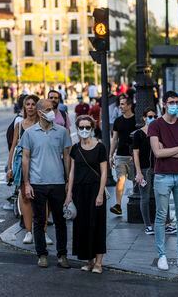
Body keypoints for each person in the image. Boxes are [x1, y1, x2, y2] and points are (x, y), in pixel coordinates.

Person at [21, 99, 72, 268]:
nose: (52, 112)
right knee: (39, 220)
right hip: (37, 183)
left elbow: (67, 157)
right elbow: (26, 158)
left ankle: (62, 255)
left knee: (60, 221)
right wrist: (27, 183)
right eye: (49, 109)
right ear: (40, 112)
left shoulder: (62, 132)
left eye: (53, 109)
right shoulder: (29, 133)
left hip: (57, 182)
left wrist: (67, 181)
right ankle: (42, 254)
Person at [148, 91, 178, 271]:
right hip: (162, 176)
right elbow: (157, 153)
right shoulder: (155, 125)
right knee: (161, 216)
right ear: (164, 104)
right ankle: (162, 256)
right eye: (171, 102)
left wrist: (168, 150)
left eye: (177, 102)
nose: (174, 104)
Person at [7, 95, 54, 245]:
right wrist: (9, 168)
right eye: (27, 104)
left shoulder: (44, 124)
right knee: (25, 196)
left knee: (43, 198)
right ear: (24, 107)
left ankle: (44, 232)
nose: (30, 107)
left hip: (40, 164)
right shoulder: (19, 125)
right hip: (23, 164)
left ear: (38, 108)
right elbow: (13, 147)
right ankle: (28, 232)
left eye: (33, 104)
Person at [65, 115, 107, 273]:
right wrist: (69, 194)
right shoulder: (75, 148)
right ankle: (89, 261)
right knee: (82, 226)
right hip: (79, 191)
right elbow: (72, 172)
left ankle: (98, 263)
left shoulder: (100, 147)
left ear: (92, 128)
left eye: (87, 127)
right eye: (81, 127)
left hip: (95, 190)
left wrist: (100, 194)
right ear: (77, 128)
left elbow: (104, 172)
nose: (84, 130)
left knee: (97, 225)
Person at [109, 96, 136, 215]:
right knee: (121, 179)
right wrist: (111, 155)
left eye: (123, 104)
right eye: (120, 104)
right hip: (121, 155)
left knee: (136, 180)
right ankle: (118, 205)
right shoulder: (118, 121)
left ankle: (138, 201)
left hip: (134, 156)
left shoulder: (137, 120)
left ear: (130, 105)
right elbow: (114, 139)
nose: (120, 106)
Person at [133, 108, 157, 235]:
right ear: (144, 118)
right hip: (144, 169)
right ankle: (147, 225)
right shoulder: (138, 134)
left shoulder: (158, 132)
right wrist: (138, 172)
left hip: (157, 168)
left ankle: (167, 222)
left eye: (154, 116)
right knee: (145, 197)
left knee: (162, 195)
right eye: (149, 116)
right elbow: (135, 154)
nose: (152, 118)